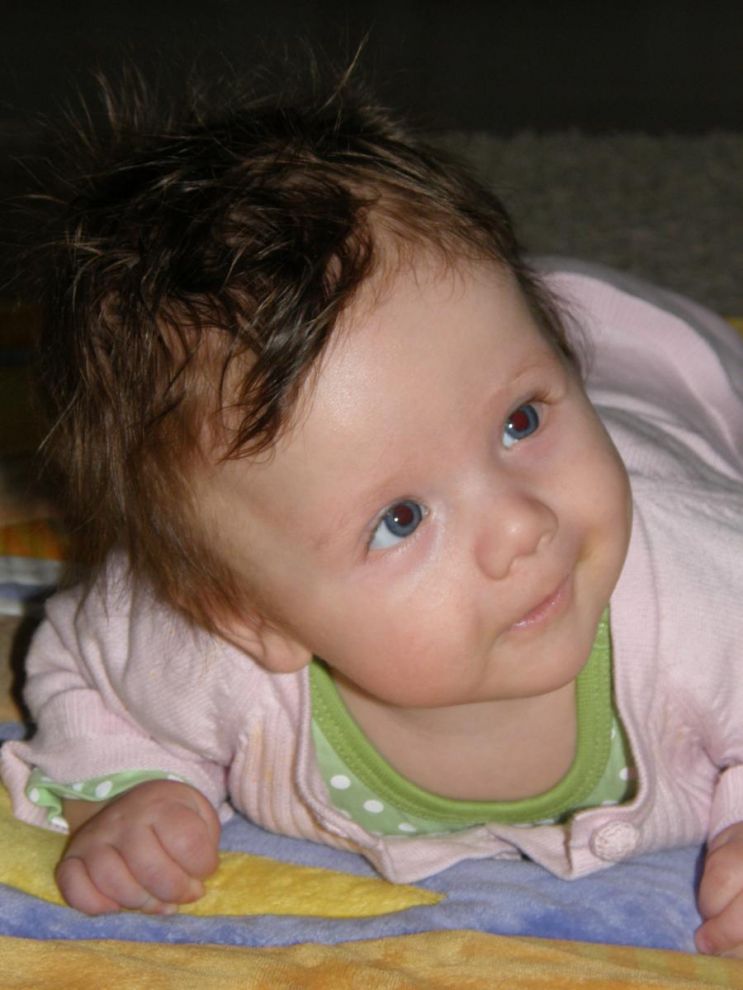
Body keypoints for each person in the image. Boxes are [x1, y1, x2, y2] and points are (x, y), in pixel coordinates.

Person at [1, 75, 742, 957]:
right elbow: (79, 663)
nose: (520, 526)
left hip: (670, 373)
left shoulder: (708, 594)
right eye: (399, 519)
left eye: (521, 422)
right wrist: (132, 787)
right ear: (246, 617)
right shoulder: (195, 651)